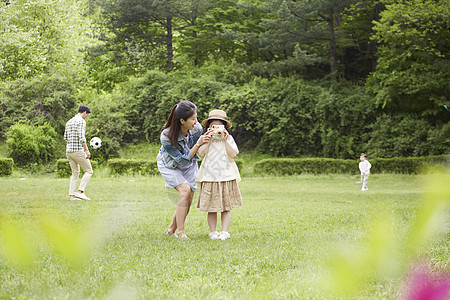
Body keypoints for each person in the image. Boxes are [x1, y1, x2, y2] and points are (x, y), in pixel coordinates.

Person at [157, 100, 211, 240]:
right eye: (193, 118)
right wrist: (199, 143)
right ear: (182, 120)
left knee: (189, 196)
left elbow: (197, 153)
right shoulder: (166, 136)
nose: (196, 122)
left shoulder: (197, 129)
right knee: (185, 191)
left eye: (196, 117)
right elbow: (181, 160)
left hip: (190, 163)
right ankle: (181, 232)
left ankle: (171, 230)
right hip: (170, 165)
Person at [196, 109, 242, 240]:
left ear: (224, 127)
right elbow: (201, 153)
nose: (216, 129)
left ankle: (225, 231)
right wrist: (208, 139)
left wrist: (226, 139)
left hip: (226, 176)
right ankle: (213, 231)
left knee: (226, 207)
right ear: (208, 127)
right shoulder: (204, 138)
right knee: (211, 207)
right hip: (209, 177)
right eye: (213, 126)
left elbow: (233, 154)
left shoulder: (229, 139)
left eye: (219, 127)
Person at [64, 105, 93, 201]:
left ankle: (72, 196)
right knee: (89, 171)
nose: (87, 116)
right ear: (84, 112)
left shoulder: (69, 121)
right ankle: (80, 192)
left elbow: (65, 138)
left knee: (75, 173)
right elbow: (82, 137)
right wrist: (86, 150)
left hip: (69, 151)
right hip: (78, 151)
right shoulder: (81, 121)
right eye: (87, 114)